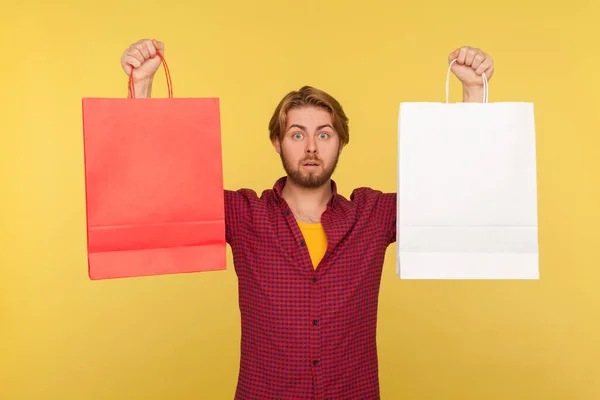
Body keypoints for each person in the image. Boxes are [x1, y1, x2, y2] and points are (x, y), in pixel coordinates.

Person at [120, 39, 495, 400]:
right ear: (277, 143)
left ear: (341, 142)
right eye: (297, 134)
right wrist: (142, 86)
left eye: (324, 134)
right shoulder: (244, 215)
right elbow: (159, 192)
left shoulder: (373, 215)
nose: (311, 147)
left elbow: (454, 198)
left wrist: (473, 95)